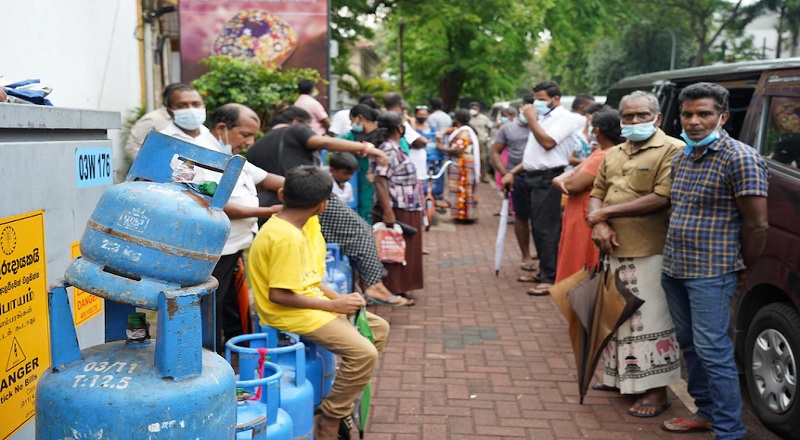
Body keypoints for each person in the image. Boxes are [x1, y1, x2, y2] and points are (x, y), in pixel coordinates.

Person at [247, 165, 390, 440]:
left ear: (281, 193)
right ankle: (332, 416)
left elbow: (309, 276)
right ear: (323, 205)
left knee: (378, 329)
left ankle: (341, 397)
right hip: (287, 313)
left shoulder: (304, 222)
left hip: (311, 301)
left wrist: (340, 298)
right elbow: (279, 295)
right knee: (364, 354)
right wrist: (333, 307)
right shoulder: (285, 237)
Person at [660, 83, 769, 438]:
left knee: (713, 350)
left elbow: (757, 224)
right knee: (689, 344)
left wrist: (744, 268)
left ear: (722, 116)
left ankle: (729, 429)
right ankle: (705, 411)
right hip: (675, 267)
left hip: (711, 271)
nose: (694, 122)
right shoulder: (683, 157)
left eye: (704, 114)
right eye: (688, 114)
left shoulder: (740, 157)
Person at [246, 105, 414, 307]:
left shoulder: (255, 147)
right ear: (298, 122)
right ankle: (374, 285)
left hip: (277, 209)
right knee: (360, 231)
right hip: (308, 196)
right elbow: (323, 141)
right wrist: (367, 148)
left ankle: (351, 288)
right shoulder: (294, 130)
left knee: (314, 248)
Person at [585, 90, 683, 418]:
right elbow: (597, 193)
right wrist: (598, 223)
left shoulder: (672, 149)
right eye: (628, 117)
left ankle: (656, 393)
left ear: (657, 118)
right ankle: (619, 380)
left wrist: (603, 216)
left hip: (650, 251)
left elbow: (662, 197)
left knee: (650, 322)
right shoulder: (614, 153)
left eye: (642, 115)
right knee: (617, 318)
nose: (635, 121)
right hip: (612, 249)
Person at [501, 81, 585, 296]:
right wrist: (514, 172)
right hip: (532, 177)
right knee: (537, 227)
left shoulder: (563, 118)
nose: (535, 104)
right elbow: (534, 155)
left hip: (549, 178)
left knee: (547, 229)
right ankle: (544, 271)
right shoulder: (544, 118)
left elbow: (548, 143)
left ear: (555, 99)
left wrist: (530, 119)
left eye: (541, 99)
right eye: (534, 99)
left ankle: (550, 277)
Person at [551, 108, 621, 282]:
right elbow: (569, 175)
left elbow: (572, 185)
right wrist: (561, 180)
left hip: (585, 216)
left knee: (579, 262)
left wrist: (560, 181)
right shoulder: (601, 152)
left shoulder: (603, 155)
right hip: (579, 212)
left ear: (597, 130)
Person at [371, 111, 424, 297]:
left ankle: (402, 288)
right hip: (396, 207)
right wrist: (388, 212)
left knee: (405, 250)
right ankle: (394, 289)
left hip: (407, 205)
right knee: (393, 249)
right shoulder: (388, 150)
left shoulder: (395, 147)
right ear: (399, 128)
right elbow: (380, 180)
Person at [490, 106, 538, 275]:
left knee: (540, 220)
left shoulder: (541, 127)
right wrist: (506, 174)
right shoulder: (508, 129)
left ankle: (541, 253)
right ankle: (526, 255)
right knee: (521, 216)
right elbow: (495, 151)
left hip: (540, 177)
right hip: (517, 179)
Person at [338, 104, 382, 221]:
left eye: (352, 120)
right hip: (356, 180)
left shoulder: (381, 135)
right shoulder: (350, 135)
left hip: (375, 180)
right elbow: (334, 143)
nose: (352, 124)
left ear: (360, 118)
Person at [436, 108, 480, 221]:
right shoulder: (462, 130)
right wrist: (442, 132)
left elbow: (458, 149)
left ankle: (463, 215)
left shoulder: (464, 133)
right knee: (465, 188)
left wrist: (442, 148)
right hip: (462, 163)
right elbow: (449, 130)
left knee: (461, 188)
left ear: (456, 119)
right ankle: (465, 214)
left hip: (461, 164)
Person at [125, 83, 183, 162]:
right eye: (182, 103)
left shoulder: (188, 121)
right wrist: (151, 167)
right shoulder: (152, 119)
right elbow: (132, 147)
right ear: (167, 100)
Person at [411, 105, 441, 199]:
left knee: (433, 183)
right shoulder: (412, 128)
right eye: (420, 114)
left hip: (433, 160)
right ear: (415, 115)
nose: (422, 116)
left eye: (424, 114)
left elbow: (437, 141)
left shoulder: (432, 128)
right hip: (417, 160)